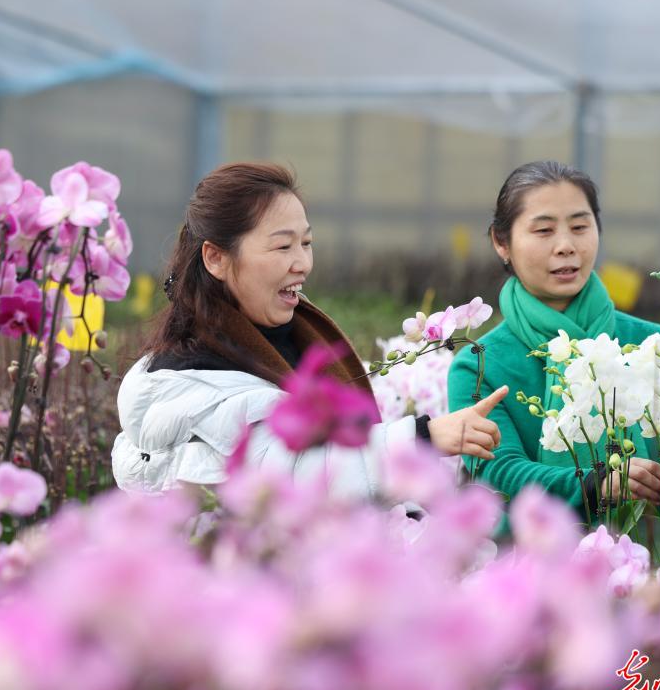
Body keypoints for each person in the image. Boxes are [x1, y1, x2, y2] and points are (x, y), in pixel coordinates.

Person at [113, 162, 507, 498]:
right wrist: (423, 438)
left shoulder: (285, 340)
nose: (302, 262)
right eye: (283, 247)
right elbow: (292, 473)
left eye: (307, 243)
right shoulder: (194, 376)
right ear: (216, 257)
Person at [447, 160, 660, 520]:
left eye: (580, 226)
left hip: (658, 563)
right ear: (501, 242)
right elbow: (499, 472)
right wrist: (596, 484)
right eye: (544, 231)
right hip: (533, 563)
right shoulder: (479, 365)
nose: (566, 245)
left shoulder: (657, 345)